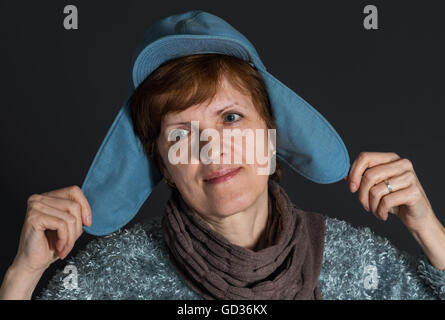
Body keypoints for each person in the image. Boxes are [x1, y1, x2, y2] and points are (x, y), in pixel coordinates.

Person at [1, 10, 445, 300]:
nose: (211, 147)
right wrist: (22, 275)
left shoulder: (357, 261)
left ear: (271, 136)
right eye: (181, 132)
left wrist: (429, 229)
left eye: (231, 118)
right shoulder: (102, 280)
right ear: (165, 166)